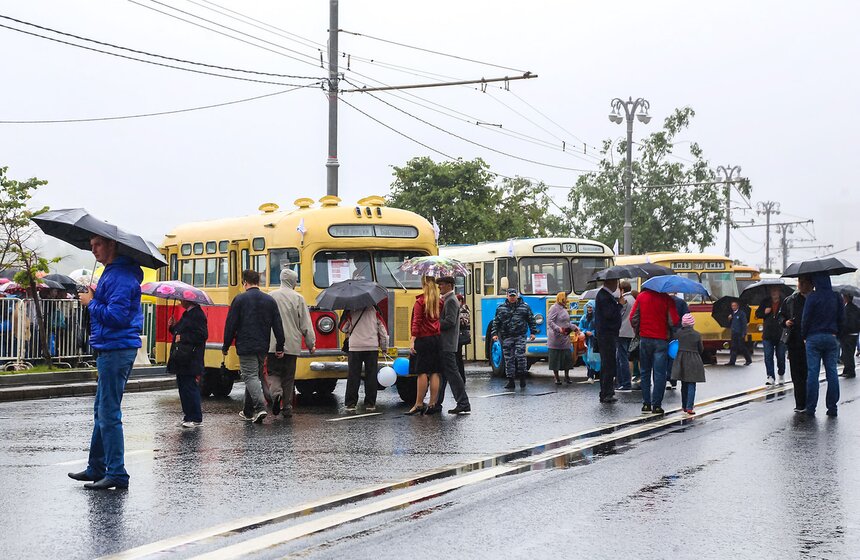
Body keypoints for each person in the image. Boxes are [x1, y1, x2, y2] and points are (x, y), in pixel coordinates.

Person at [67, 235, 143, 490]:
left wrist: (92, 303)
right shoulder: (113, 273)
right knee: (102, 409)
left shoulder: (121, 276)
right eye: (91, 246)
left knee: (108, 413)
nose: (94, 250)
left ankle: (117, 473)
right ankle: (97, 468)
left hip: (117, 348)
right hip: (111, 347)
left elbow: (117, 316)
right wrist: (96, 298)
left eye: (98, 244)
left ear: (112, 245)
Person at [222, 270, 285, 424]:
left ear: (245, 282)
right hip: (263, 345)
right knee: (254, 377)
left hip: (246, 345)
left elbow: (231, 325)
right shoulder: (269, 300)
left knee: (249, 376)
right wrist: (280, 345)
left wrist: (225, 345)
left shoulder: (240, 300)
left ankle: (260, 407)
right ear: (259, 282)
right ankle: (248, 411)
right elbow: (278, 325)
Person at [268, 268, 315, 417]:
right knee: (288, 377)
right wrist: (310, 344)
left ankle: (276, 395)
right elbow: (305, 324)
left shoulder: (270, 296)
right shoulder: (298, 298)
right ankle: (287, 407)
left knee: (273, 373)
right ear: (293, 282)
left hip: (272, 343)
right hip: (292, 345)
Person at [630, 287, 680, 415]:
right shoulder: (667, 299)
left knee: (645, 372)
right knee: (659, 374)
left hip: (645, 339)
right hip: (661, 340)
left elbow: (633, 317)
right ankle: (656, 405)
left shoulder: (641, 297)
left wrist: (639, 331)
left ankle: (646, 404)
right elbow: (673, 320)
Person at [803, 273, 845, 417]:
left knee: (813, 373)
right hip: (831, 337)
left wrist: (804, 335)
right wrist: (837, 334)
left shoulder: (812, 297)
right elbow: (842, 318)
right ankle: (832, 407)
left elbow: (806, 318)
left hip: (813, 338)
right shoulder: (836, 296)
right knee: (832, 372)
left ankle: (811, 408)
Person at [167, 298, 208, 428]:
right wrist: (172, 326)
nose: (179, 301)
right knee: (183, 387)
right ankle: (188, 416)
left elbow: (202, 335)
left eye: (181, 299)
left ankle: (195, 417)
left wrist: (183, 337)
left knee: (190, 387)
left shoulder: (197, 314)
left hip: (190, 357)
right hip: (183, 357)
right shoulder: (188, 314)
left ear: (188, 301)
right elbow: (179, 331)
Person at [340, 303, 387, 412]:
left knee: (353, 375)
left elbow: (343, 328)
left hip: (355, 347)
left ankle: (351, 404)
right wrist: (384, 347)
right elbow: (383, 330)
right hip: (372, 347)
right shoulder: (375, 311)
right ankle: (370, 404)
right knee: (371, 375)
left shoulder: (351, 309)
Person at [406, 276, 442, 415]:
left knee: (421, 372)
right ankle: (432, 403)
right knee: (434, 372)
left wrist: (412, 340)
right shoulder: (439, 302)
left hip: (423, 339)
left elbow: (416, 322)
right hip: (436, 339)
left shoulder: (420, 302)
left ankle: (419, 403)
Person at [437, 276, 471, 414]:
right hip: (446, 343)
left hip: (447, 343)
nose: (440, 287)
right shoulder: (447, 299)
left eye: (442, 284)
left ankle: (463, 402)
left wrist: (434, 324)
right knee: (443, 374)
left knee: (452, 374)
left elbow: (450, 322)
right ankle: (437, 402)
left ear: (450, 285)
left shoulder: (451, 300)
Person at [493, 288, 538, 390]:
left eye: (514, 296)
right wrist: (494, 334)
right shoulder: (501, 308)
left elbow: (531, 320)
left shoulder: (525, 307)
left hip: (520, 336)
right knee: (509, 359)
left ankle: (522, 378)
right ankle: (511, 381)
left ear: (517, 296)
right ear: (507, 296)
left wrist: (533, 332)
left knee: (520, 356)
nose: (512, 298)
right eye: (510, 296)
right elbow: (496, 322)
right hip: (507, 336)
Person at [779, 275, 812, 412]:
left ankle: (810, 403)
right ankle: (800, 404)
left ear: (811, 284)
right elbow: (781, 316)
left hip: (811, 341)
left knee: (809, 374)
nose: (801, 285)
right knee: (797, 374)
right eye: (799, 282)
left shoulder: (814, 299)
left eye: (804, 282)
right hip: (795, 341)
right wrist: (785, 322)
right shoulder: (790, 300)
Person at [670, 313, 705, 415]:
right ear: (692, 324)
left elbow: (673, 346)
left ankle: (684, 406)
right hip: (694, 359)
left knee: (684, 383)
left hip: (680, 359)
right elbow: (701, 349)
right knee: (691, 383)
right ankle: (690, 407)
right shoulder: (697, 334)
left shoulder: (678, 333)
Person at [594, 278, 622, 403]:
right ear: (610, 283)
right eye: (615, 283)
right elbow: (609, 314)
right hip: (606, 334)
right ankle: (606, 393)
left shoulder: (605, 295)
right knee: (608, 364)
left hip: (606, 334)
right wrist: (620, 304)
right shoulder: (604, 296)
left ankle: (607, 391)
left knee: (609, 364)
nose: (616, 285)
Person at [756, 286, 787, 385]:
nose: (774, 293)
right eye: (772, 291)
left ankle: (781, 373)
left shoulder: (784, 301)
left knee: (781, 356)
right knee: (768, 356)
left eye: (776, 290)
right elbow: (758, 314)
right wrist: (764, 312)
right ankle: (770, 376)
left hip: (780, 334)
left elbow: (788, 314)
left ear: (779, 291)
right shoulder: (765, 302)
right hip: (768, 334)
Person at [547, 292, 575, 385]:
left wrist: (574, 327)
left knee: (567, 356)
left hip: (565, 337)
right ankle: (557, 377)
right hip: (556, 337)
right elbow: (550, 321)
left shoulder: (564, 308)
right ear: (561, 298)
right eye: (565, 298)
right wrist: (558, 329)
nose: (567, 300)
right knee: (555, 357)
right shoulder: (554, 308)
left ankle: (567, 376)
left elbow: (567, 322)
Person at [666, 294, 689, 390]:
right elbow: (686, 316)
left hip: (665, 331)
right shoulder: (681, 302)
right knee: (673, 355)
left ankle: (667, 379)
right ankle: (673, 379)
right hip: (677, 332)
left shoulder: (663, 301)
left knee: (664, 356)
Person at [616, 281, 635, 391]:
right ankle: (624, 381)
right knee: (627, 357)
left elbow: (619, 314)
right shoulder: (634, 299)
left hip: (621, 331)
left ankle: (625, 383)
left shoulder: (624, 300)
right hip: (631, 331)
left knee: (622, 358)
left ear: (622, 290)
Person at [726, 301, 752, 367]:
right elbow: (729, 325)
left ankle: (748, 359)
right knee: (733, 347)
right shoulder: (732, 314)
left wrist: (744, 333)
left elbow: (744, 324)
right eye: (732, 306)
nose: (733, 307)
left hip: (740, 333)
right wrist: (729, 319)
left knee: (741, 347)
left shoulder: (741, 313)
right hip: (734, 333)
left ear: (737, 306)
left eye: (735, 306)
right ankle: (732, 361)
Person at [839, 293, 859, 378]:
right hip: (855, 333)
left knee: (847, 354)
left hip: (847, 334)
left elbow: (845, 322)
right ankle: (847, 369)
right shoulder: (857, 308)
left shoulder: (846, 309)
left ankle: (850, 371)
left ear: (846, 298)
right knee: (850, 352)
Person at [578, 301, 598, 382]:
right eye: (588, 307)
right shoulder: (584, 317)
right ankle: (590, 374)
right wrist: (586, 332)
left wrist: (593, 333)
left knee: (593, 359)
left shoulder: (597, 318)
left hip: (594, 341)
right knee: (586, 358)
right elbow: (580, 327)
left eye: (591, 307)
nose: (589, 309)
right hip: (586, 341)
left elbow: (599, 328)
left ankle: (592, 375)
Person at [455, 294, 470, 382]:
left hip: (459, 337)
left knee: (458, 359)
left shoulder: (463, 309)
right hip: (457, 337)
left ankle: (461, 378)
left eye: (459, 300)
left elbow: (465, 322)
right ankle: (460, 377)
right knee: (457, 358)